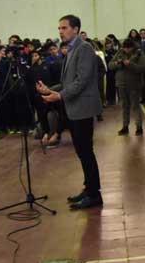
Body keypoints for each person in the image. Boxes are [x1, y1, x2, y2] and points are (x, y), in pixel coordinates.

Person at [37, 15, 104, 210]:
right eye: (59, 28)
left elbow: (82, 81)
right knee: (82, 152)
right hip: (74, 108)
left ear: (75, 29)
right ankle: (89, 188)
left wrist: (59, 96)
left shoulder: (84, 49)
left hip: (83, 108)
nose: (60, 31)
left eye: (64, 28)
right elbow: (68, 82)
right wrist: (50, 89)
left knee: (86, 152)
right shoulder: (72, 50)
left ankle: (94, 194)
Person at [110, 38, 145, 136]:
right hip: (121, 83)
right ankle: (125, 126)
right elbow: (110, 65)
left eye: (128, 48)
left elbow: (143, 67)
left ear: (132, 47)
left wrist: (130, 65)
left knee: (135, 106)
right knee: (124, 106)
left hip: (134, 84)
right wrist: (117, 64)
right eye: (124, 48)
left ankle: (139, 127)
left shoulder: (139, 53)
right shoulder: (120, 52)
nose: (126, 50)